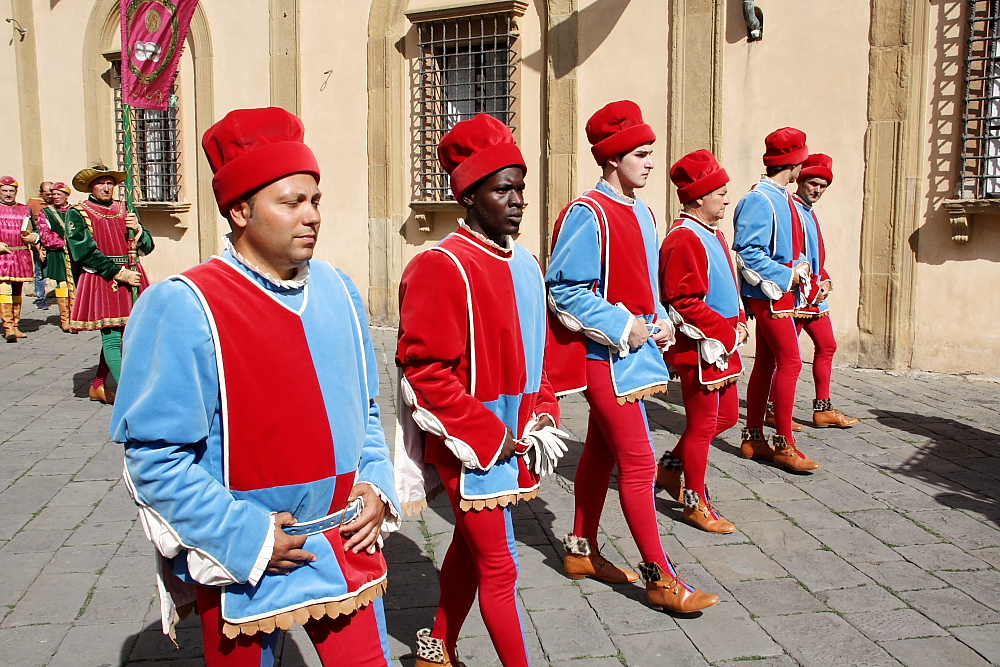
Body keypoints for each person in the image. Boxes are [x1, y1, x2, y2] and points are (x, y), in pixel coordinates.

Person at [111, 106, 401, 667]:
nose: (311, 215)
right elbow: (155, 460)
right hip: (243, 560)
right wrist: (247, 535)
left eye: (315, 200)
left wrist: (375, 483)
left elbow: (363, 411)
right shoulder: (185, 305)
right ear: (240, 210)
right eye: (291, 202)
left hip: (345, 543)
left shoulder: (340, 291)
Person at [396, 113, 567, 667]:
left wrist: (541, 414)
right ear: (469, 196)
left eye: (520, 187)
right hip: (471, 438)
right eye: (502, 189)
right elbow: (423, 372)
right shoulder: (439, 265)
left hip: (518, 432)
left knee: (474, 550)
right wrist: (490, 433)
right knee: (501, 565)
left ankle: (436, 647)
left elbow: (539, 355)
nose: (517, 200)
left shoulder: (526, 263)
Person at [546, 100, 719, 613]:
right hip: (604, 360)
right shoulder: (587, 212)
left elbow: (642, 285)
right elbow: (564, 288)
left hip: (637, 358)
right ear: (613, 158)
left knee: (600, 453)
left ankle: (580, 548)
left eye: (649, 154)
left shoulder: (643, 211)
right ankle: (660, 577)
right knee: (640, 465)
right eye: (640, 154)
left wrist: (662, 320)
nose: (649, 164)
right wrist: (626, 324)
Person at [656, 149, 746, 534]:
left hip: (722, 346)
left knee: (725, 417)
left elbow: (727, 284)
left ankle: (670, 468)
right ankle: (694, 500)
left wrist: (740, 321)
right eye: (720, 192)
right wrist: (725, 331)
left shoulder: (712, 234)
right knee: (701, 423)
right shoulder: (684, 238)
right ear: (698, 197)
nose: (727, 198)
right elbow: (683, 299)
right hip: (700, 348)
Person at [733, 128, 820, 472]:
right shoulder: (761, 198)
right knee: (792, 363)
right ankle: (784, 444)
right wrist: (789, 275)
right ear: (795, 162)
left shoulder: (780, 196)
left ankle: (754, 436)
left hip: (782, 293)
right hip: (770, 294)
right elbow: (748, 253)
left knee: (769, 363)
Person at [65, 164, 153, 403]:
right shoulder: (78, 212)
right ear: (91, 186)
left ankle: (97, 385)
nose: (106, 187)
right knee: (112, 336)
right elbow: (83, 252)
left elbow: (147, 247)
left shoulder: (126, 209)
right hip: (103, 278)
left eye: (110, 182)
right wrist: (118, 273)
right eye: (101, 183)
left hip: (132, 276)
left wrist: (139, 230)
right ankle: (132, 394)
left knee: (128, 334)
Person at [790, 153, 859, 428]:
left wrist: (826, 281)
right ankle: (772, 408)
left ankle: (822, 408)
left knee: (827, 345)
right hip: (795, 295)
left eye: (822, 185)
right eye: (813, 183)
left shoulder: (809, 212)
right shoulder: (791, 210)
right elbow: (791, 254)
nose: (817, 190)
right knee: (786, 357)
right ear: (802, 181)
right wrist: (808, 282)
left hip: (815, 296)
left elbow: (816, 257)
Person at [0, 176, 38, 342]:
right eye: (4, 191)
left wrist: (33, 237)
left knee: (17, 292)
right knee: (5, 291)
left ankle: (16, 325)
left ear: (16, 192)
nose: (8, 194)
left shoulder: (25, 209)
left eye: (11, 191)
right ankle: (8, 327)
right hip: (3, 256)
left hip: (21, 254)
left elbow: (36, 230)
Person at [35, 182, 75, 332]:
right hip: (58, 253)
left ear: (66, 195)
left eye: (59, 194)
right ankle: (65, 320)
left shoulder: (74, 211)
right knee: (63, 284)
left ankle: (76, 317)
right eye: (54, 194)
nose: (56, 197)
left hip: (75, 253)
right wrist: (63, 244)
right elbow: (45, 234)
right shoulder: (46, 212)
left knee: (75, 285)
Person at [27, 181, 53, 310]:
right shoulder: (33, 204)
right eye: (47, 194)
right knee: (40, 271)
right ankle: (40, 298)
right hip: (40, 242)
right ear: (40, 193)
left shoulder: (56, 203)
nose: (50, 196)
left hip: (55, 242)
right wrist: (34, 241)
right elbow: (29, 223)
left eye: (52, 193)